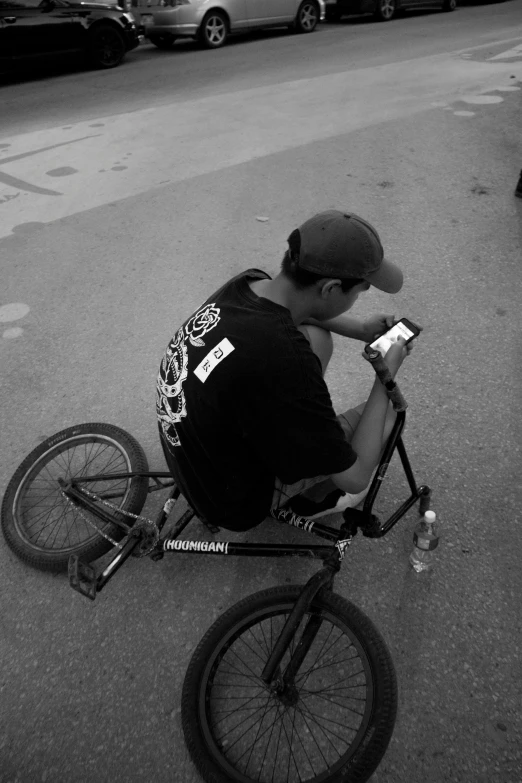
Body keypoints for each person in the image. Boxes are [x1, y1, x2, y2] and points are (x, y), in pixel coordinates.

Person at [156, 210, 412, 532]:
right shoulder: (286, 361)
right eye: (360, 291)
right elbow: (357, 475)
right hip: (232, 502)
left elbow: (299, 311)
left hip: (190, 455)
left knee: (316, 338)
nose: (358, 298)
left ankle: (303, 442)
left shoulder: (250, 283)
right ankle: (317, 497)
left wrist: (361, 329)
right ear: (331, 288)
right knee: (388, 413)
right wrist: (383, 374)